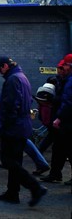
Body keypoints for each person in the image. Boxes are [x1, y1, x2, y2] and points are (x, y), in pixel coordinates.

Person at [0, 56, 47, 206]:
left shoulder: (12, 80)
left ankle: (35, 187)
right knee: (15, 161)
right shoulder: (22, 77)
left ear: (5, 66)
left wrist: (3, 126)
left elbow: (11, 106)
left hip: (13, 128)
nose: (1, 73)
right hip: (23, 126)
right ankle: (12, 192)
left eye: (1, 70)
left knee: (7, 160)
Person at [42, 54, 72, 185]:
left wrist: (59, 117)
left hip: (66, 121)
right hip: (64, 120)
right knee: (59, 148)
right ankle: (55, 174)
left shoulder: (68, 81)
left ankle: (55, 174)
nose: (61, 68)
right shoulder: (64, 80)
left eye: (64, 65)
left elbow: (67, 102)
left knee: (64, 149)